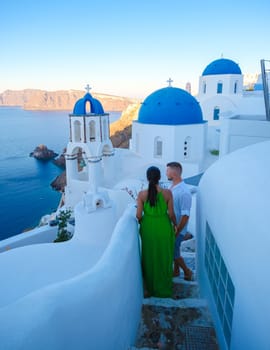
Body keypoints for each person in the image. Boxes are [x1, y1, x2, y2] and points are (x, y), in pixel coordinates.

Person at [136, 166, 176, 298]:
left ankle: (150, 288)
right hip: (163, 227)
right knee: (164, 256)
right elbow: (171, 214)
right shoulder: (168, 193)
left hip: (148, 228)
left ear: (148, 178)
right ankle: (163, 287)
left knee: (149, 257)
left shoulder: (142, 194)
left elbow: (138, 216)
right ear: (159, 178)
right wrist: (175, 225)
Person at [166, 162, 193, 280]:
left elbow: (186, 215)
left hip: (178, 229)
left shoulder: (184, 192)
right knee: (175, 250)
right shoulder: (171, 187)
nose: (166, 173)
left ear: (174, 173)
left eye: (167, 171)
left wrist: (178, 231)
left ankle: (187, 272)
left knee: (173, 252)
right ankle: (176, 271)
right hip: (171, 227)